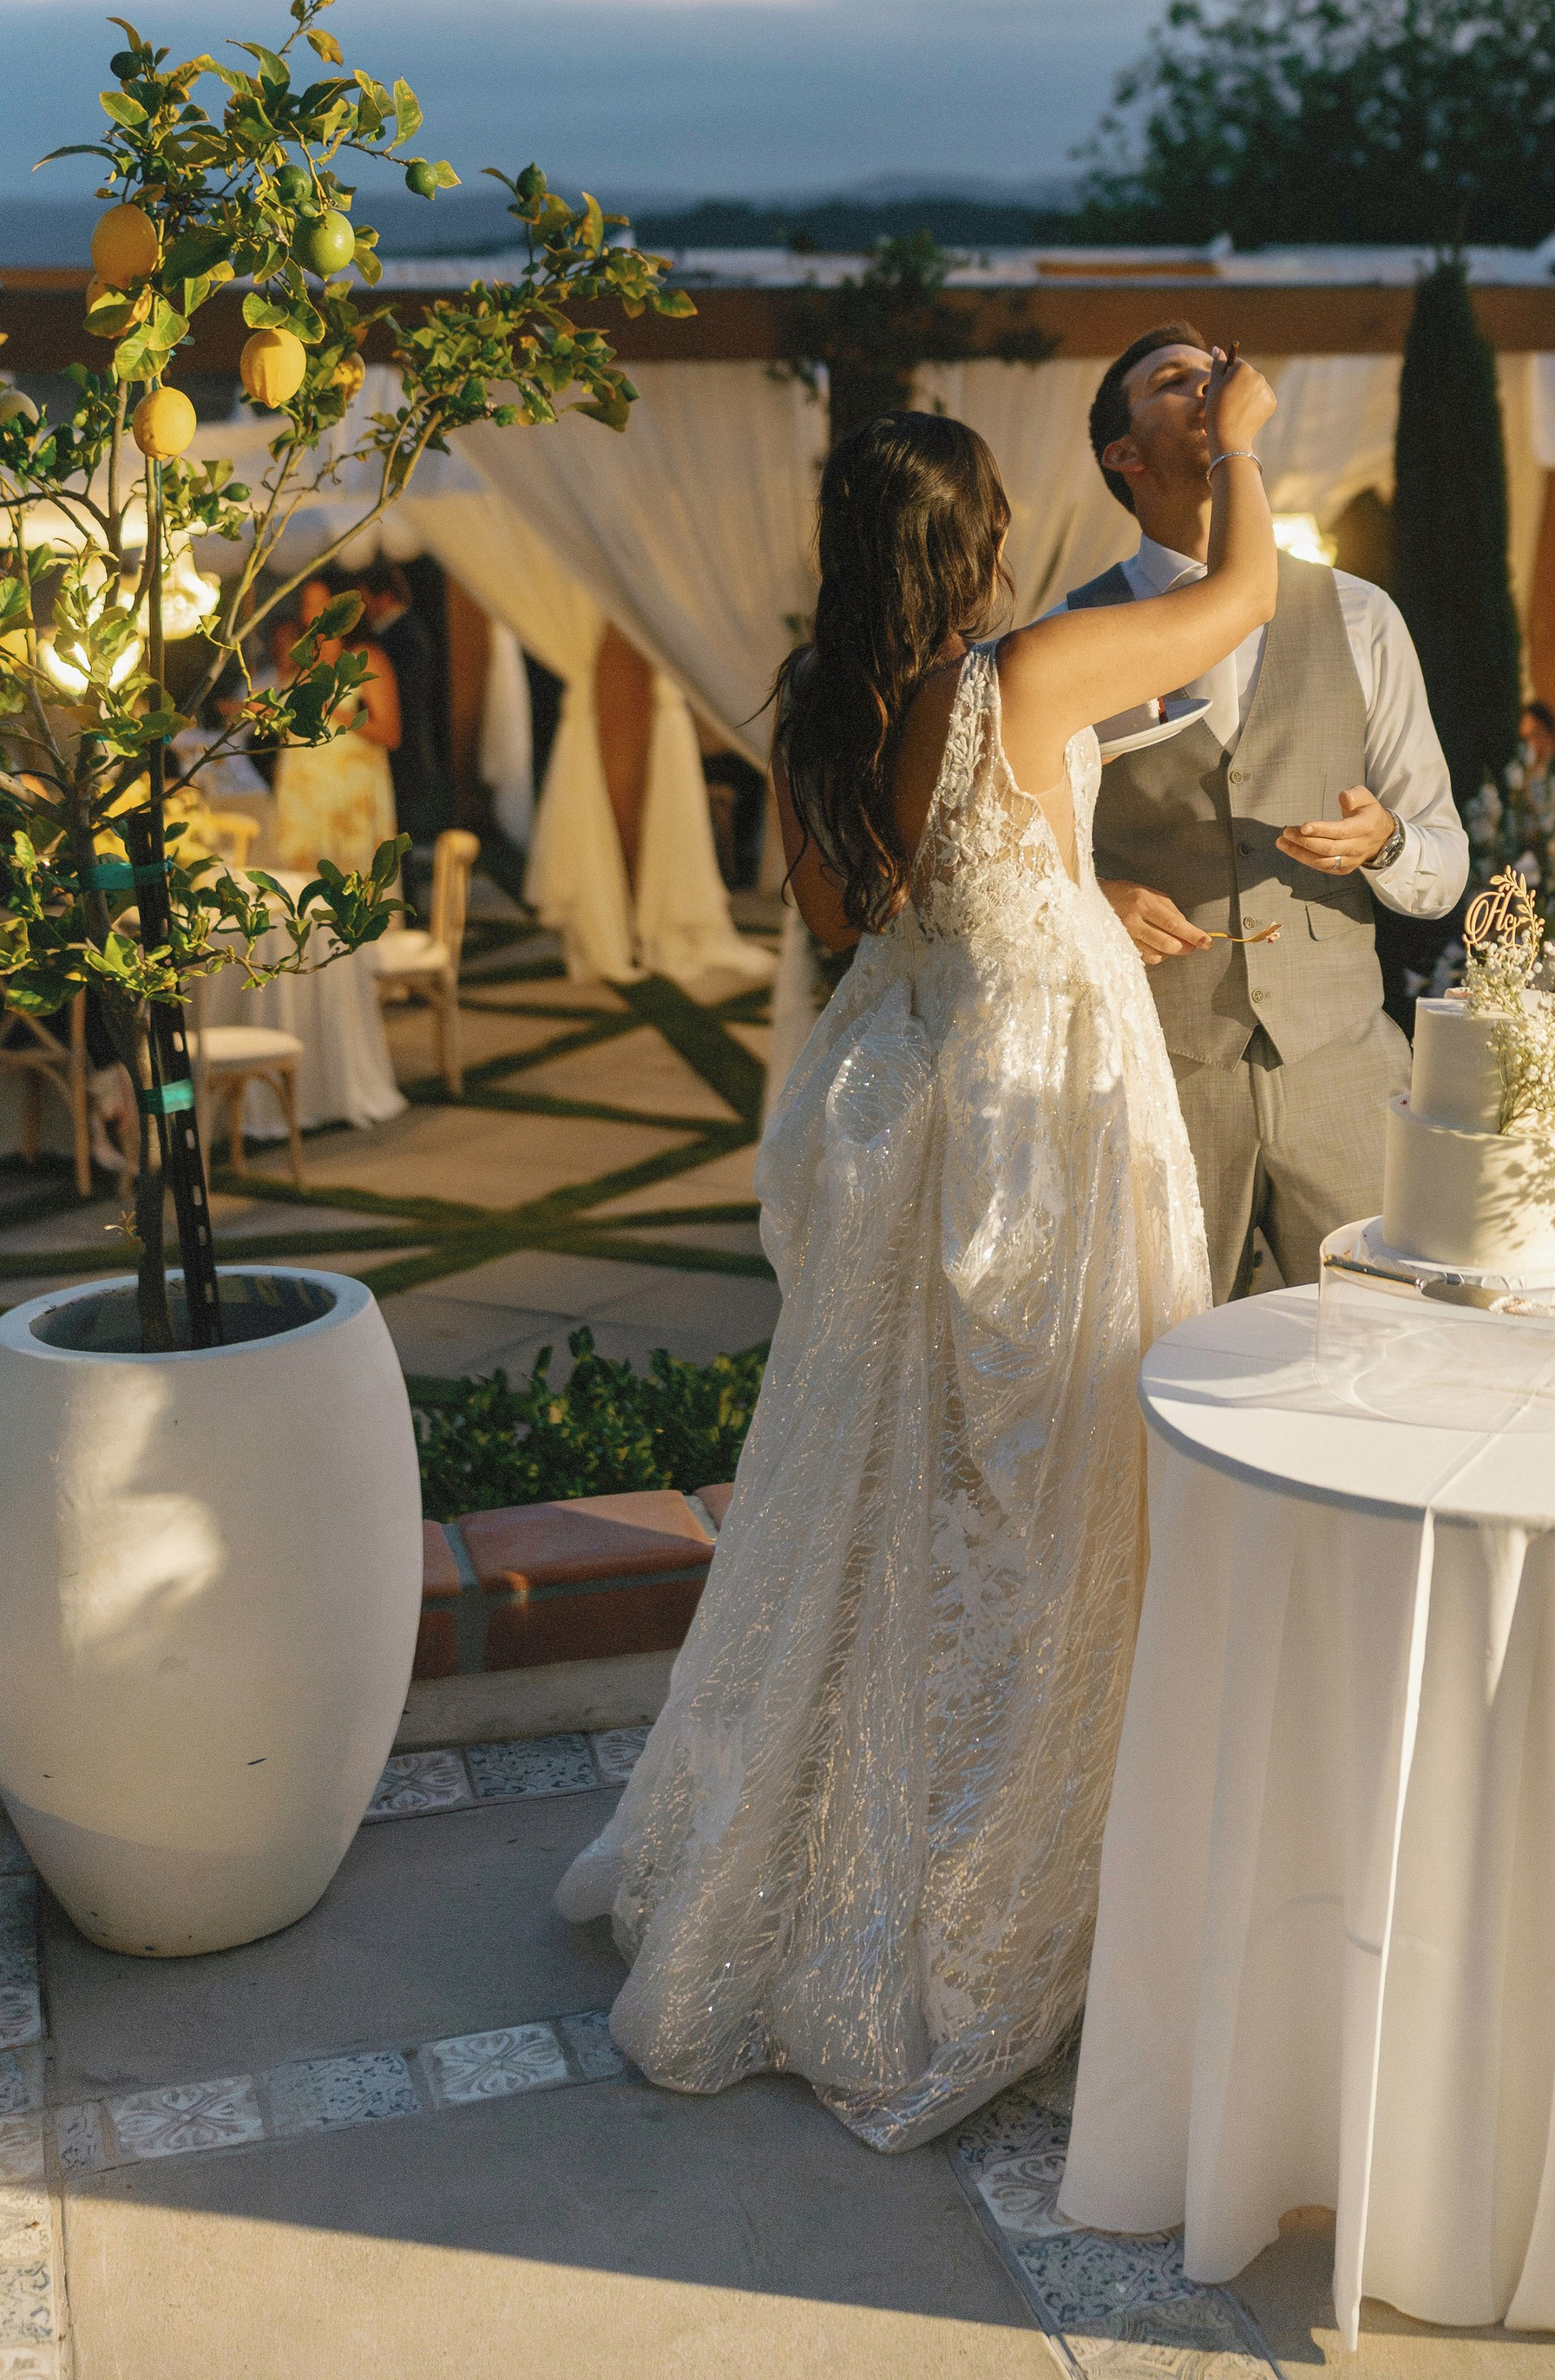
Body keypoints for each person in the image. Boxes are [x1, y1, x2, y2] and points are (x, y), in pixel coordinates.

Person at [558, 357, 1280, 2145]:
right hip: (1039, 1121)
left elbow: (870, 905)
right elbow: (1235, 600)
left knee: (900, 1504)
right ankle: (984, 1892)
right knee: (1050, 1504)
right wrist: (1237, 453)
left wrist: (1062, 885)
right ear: (970, 544)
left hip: (925, 1119)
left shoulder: (823, 697)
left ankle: (819, 1853)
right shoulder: (1019, 671)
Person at [1061, 322, 1468, 1300]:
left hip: (1342, 1067)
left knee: (1391, 1344)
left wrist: (1387, 842)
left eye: (1216, 372)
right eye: (1173, 381)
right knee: (1156, 1363)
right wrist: (1090, 896)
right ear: (1123, 454)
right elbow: (1026, 857)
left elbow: (1444, 860)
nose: (1208, 385)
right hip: (1159, 1072)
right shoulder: (1072, 637)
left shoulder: (1361, 615)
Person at [268, 578, 401, 873]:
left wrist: (333, 710)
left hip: (349, 796)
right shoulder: (302, 661)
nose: (314, 613)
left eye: (323, 604)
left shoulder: (366, 659)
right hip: (301, 794)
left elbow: (391, 734)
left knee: (351, 885)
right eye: (308, 605)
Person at [358, 561, 453, 856]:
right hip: (407, 745)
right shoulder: (404, 631)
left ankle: (404, 898)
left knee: (398, 837)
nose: (364, 608)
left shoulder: (402, 635)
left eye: (366, 599)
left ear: (384, 596)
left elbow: (402, 696)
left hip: (404, 748)